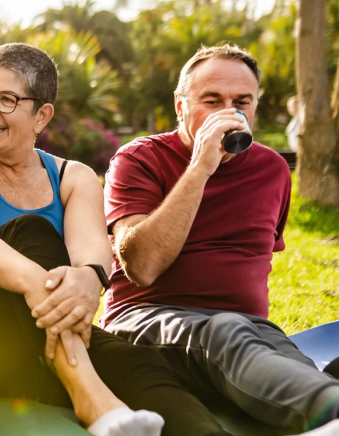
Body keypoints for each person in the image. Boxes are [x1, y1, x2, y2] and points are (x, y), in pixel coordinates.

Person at [0, 42, 259, 436]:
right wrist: (40, 284)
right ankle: (89, 396)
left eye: (7, 99)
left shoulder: (73, 177)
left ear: (41, 115)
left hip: (47, 342)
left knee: (140, 365)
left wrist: (87, 278)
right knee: (31, 232)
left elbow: (93, 255)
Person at [103, 44, 339, 435]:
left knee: (260, 343)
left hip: (249, 332)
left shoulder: (273, 169)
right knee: (226, 331)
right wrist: (200, 167)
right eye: (211, 100)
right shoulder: (139, 159)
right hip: (146, 321)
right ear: (181, 106)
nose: (229, 112)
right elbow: (141, 267)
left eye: (241, 101)